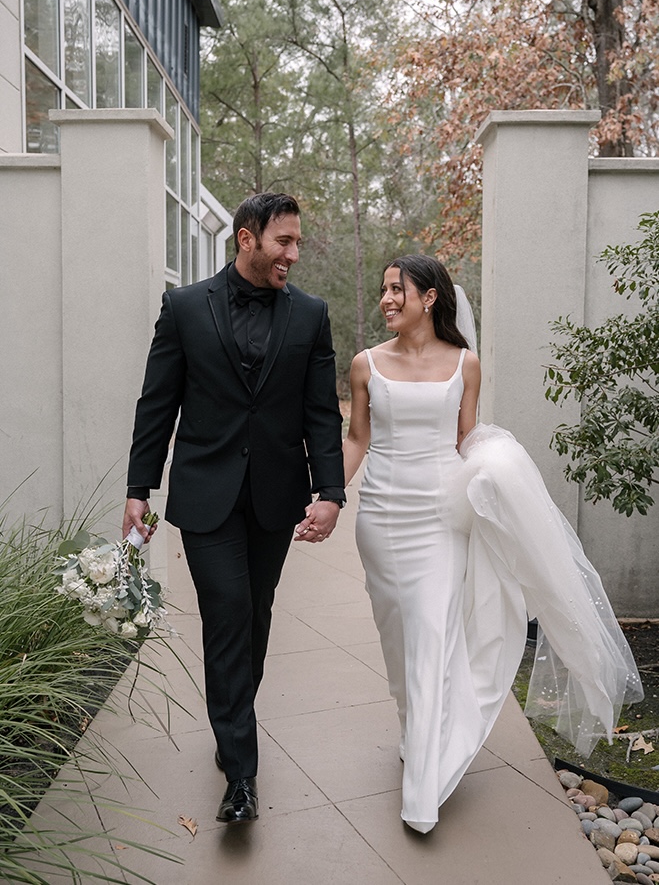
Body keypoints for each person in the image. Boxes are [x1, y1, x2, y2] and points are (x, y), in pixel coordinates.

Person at [340, 254, 643, 834]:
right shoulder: (365, 365)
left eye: (396, 290)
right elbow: (358, 438)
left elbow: (466, 439)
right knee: (398, 638)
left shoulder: (464, 365)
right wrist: (326, 495)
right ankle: (415, 732)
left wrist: (497, 476)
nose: (386, 300)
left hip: (438, 520)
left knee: (431, 634)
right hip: (379, 518)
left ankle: (422, 792)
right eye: (382, 290)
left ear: (429, 298)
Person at [123, 192, 345, 825]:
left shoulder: (311, 314)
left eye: (298, 242)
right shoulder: (186, 307)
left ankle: (231, 725)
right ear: (246, 239)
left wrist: (330, 493)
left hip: (276, 498)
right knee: (226, 616)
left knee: (254, 618)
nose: (293, 255)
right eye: (284, 242)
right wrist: (140, 488)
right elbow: (156, 404)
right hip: (206, 497)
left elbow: (319, 411)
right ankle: (241, 777)